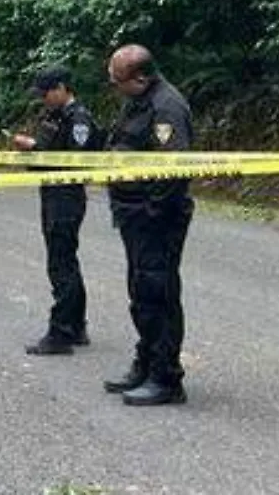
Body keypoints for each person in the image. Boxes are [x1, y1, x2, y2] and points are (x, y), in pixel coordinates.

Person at [101, 45, 195, 406]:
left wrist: (152, 212)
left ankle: (166, 377)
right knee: (141, 293)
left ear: (140, 76)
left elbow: (173, 170)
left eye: (117, 80)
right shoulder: (137, 101)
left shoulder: (166, 107)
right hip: (133, 214)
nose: (114, 87)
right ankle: (146, 362)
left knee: (159, 293)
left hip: (156, 218)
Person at [11, 65, 101, 356]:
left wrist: (35, 147)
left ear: (62, 88)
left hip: (66, 196)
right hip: (51, 193)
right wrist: (33, 148)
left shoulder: (79, 120)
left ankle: (61, 333)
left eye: (47, 93)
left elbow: (76, 160)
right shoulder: (54, 116)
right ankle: (75, 325)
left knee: (60, 263)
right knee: (65, 260)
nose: (43, 99)